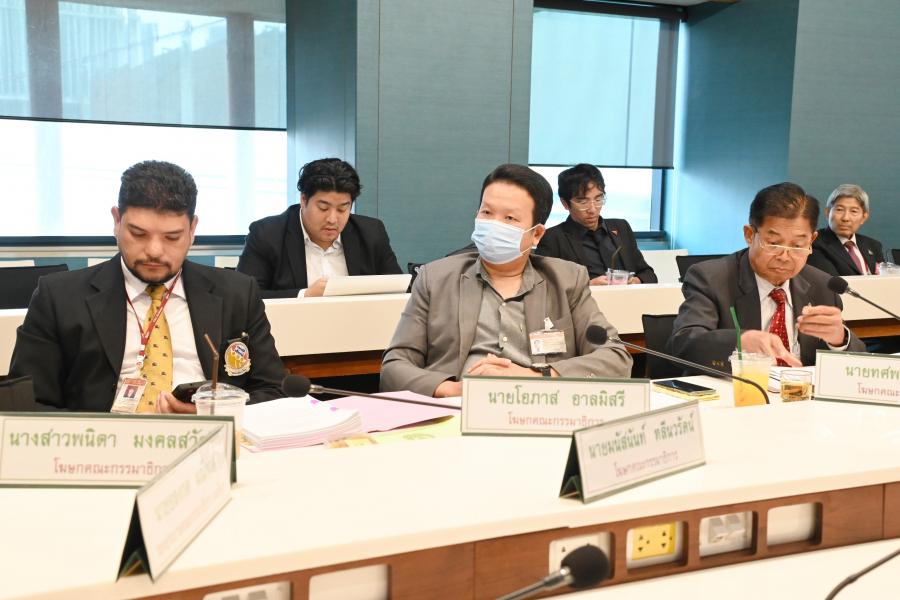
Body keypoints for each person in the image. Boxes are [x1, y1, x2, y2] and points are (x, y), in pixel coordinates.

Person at [9, 160, 284, 412]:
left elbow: (273, 391)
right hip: (101, 444)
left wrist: (213, 413)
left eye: (172, 237)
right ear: (117, 221)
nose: (154, 251)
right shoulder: (59, 297)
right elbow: (27, 406)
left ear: (192, 229)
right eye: (138, 234)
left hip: (211, 440)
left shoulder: (237, 293)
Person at [380, 163, 632, 398]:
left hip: (539, 409)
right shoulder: (435, 279)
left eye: (510, 218)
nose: (494, 225)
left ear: (537, 234)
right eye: (487, 212)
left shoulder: (567, 280)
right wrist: (452, 390)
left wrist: (536, 377)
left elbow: (616, 358)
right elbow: (394, 366)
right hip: (457, 410)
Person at [669, 182, 865, 371]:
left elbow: (859, 363)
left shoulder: (822, 285)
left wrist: (840, 339)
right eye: (773, 243)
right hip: (737, 389)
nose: (785, 256)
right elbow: (683, 344)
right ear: (749, 234)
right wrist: (740, 341)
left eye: (797, 246)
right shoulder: (711, 279)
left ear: (811, 241)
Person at [237, 158, 402, 298]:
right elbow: (243, 297)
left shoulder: (371, 233)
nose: (332, 219)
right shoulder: (267, 234)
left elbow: (399, 290)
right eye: (323, 208)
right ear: (303, 200)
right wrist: (304, 295)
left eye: (342, 209)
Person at [537, 163, 657, 284]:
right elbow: (543, 285)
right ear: (565, 203)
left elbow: (649, 274)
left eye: (598, 199)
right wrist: (588, 286)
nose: (593, 209)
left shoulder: (621, 228)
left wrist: (635, 281)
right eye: (583, 202)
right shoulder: (552, 238)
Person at [807, 184, 884, 276]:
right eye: (839, 210)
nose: (845, 218)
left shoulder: (873, 245)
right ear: (828, 212)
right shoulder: (815, 243)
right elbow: (831, 281)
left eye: (854, 211)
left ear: (864, 217)